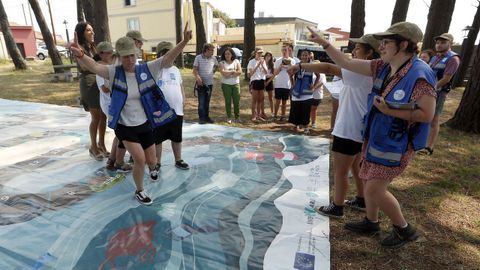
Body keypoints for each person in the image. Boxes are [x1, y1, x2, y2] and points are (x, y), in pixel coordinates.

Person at [308, 22, 437, 248]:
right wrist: (325, 44)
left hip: (396, 143)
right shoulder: (383, 66)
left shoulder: (419, 73)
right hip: (375, 137)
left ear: (404, 44)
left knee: (374, 188)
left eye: (386, 42)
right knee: (367, 179)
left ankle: (404, 230)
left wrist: (389, 110)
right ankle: (371, 222)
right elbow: (347, 62)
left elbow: (427, 114)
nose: (381, 46)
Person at [70, 24, 192, 205]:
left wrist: (184, 41)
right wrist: (80, 54)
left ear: (137, 54)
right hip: (124, 125)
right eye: (125, 56)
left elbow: (167, 58)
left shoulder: (145, 69)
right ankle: (140, 190)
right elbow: (94, 66)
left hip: (143, 124)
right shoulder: (113, 72)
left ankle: (152, 168)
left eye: (132, 55)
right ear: (119, 57)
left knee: (152, 160)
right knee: (140, 159)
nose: (130, 60)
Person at [290, 34, 380, 218]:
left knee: (340, 171)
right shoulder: (373, 71)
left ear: (370, 52)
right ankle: (362, 199)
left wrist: (299, 66)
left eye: (358, 48)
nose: (353, 51)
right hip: (358, 127)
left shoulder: (360, 71)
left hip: (349, 127)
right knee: (356, 166)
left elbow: (328, 67)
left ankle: (338, 206)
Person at [418, 33, 461, 156]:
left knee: (434, 119)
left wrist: (431, 88)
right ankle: (420, 143)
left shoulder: (453, 59)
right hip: (428, 92)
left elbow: (446, 79)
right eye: (438, 42)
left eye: (443, 42)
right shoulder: (435, 57)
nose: (439, 45)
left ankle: (429, 147)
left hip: (439, 93)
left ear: (450, 43)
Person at [94, 41, 131, 172]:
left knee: (120, 132)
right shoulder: (100, 68)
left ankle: (112, 161)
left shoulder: (111, 66)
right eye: (108, 52)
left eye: (112, 52)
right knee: (122, 131)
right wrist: (120, 87)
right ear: (101, 54)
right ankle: (116, 162)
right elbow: (104, 88)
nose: (111, 55)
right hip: (110, 104)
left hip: (115, 103)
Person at [153, 41, 190, 171]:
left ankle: (178, 159)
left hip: (177, 110)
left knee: (176, 137)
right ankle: (157, 162)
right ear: (160, 55)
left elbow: (180, 86)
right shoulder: (156, 69)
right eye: (166, 53)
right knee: (158, 138)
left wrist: (183, 99)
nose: (170, 57)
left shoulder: (176, 70)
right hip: (160, 111)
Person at [74, 22, 107, 161]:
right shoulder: (78, 48)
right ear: (82, 33)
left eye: (92, 30)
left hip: (99, 80)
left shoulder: (93, 47)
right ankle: (93, 147)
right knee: (96, 117)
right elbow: (84, 66)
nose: (92, 33)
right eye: (88, 30)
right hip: (89, 83)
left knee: (104, 116)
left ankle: (102, 144)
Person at [289, 50, 319, 134]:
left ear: (309, 56)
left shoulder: (312, 65)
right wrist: (292, 84)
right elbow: (290, 74)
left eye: (306, 55)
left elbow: (318, 76)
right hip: (297, 90)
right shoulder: (297, 65)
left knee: (306, 110)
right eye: (303, 55)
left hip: (307, 91)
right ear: (300, 56)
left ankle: (306, 127)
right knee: (295, 109)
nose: (304, 57)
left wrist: (313, 86)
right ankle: (296, 125)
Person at [193, 43, 218, 124]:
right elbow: (195, 70)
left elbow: (216, 66)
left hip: (210, 83)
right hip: (201, 84)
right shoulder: (198, 58)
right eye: (212, 50)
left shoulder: (213, 58)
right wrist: (198, 77)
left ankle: (206, 117)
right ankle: (201, 118)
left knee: (207, 101)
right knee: (201, 102)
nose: (213, 52)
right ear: (206, 50)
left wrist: (212, 72)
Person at [219, 47, 242, 123]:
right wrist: (233, 71)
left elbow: (239, 72)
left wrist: (228, 72)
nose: (227, 55)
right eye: (225, 54)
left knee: (236, 101)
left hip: (236, 84)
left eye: (229, 54)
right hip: (226, 85)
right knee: (228, 101)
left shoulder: (236, 61)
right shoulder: (222, 63)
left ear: (232, 54)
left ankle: (237, 117)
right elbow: (223, 74)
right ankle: (229, 117)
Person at [273, 44, 295, 121]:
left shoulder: (292, 61)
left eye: (286, 50)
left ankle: (283, 116)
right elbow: (275, 73)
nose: (284, 52)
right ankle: (275, 115)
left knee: (285, 102)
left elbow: (293, 73)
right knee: (277, 101)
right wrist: (280, 66)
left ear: (288, 51)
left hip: (287, 84)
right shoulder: (278, 60)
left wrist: (290, 66)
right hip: (278, 84)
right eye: (283, 50)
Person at [247, 47, 268, 121]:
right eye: (259, 53)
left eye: (261, 53)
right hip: (255, 81)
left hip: (261, 81)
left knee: (260, 99)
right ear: (255, 53)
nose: (260, 54)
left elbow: (266, 72)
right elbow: (250, 74)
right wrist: (258, 65)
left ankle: (259, 115)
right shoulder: (251, 62)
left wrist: (262, 64)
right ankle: (253, 116)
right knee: (254, 100)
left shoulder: (263, 61)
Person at [309, 61, 327, 129]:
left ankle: (313, 123)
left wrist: (314, 87)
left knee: (313, 109)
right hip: (308, 94)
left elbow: (322, 82)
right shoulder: (309, 72)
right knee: (307, 108)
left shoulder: (322, 73)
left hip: (317, 94)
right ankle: (305, 122)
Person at [263, 51, 275, 118]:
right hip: (262, 80)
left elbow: (274, 75)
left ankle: (272, 112)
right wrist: (264, 81)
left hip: (269, 80)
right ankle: (262, 112)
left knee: (271, 97)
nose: (268, 57)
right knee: (261, 97)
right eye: (267, 56)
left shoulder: (272, 64)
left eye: (269, 56)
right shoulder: (262, 63)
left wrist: (268, 82)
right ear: (265, 56)